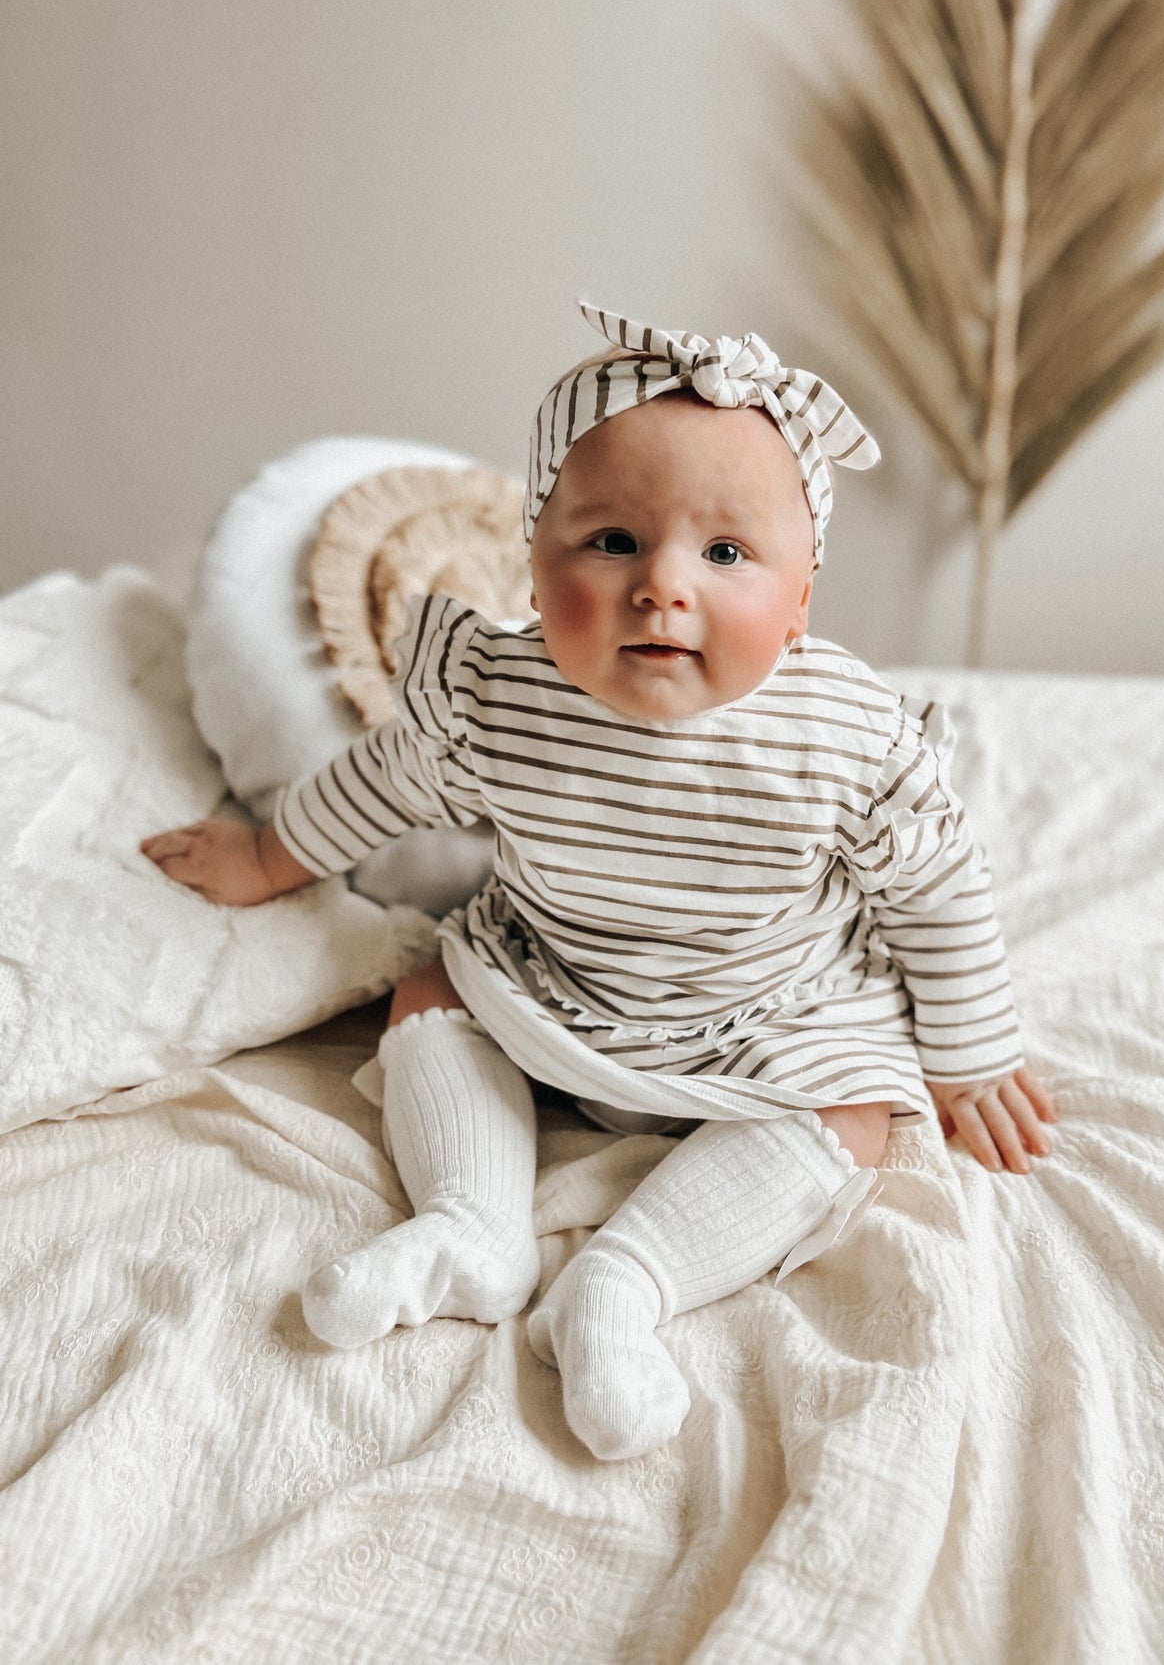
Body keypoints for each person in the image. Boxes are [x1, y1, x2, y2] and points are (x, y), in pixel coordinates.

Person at [142, 302, 1058, 1461]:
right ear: (535, 563)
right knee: (429, 987)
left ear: (799, 600)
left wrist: (973, 1050)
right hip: (553, 976)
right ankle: (473, 1225)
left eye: (724, 554)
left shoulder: (842, 738)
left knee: (854, 1111)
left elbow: (937, 888)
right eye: (614, 540)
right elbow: (383, 784)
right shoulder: (496, 696)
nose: (662, 584)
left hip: (767, 1013)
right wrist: (268, 856)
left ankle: (626, 1281)